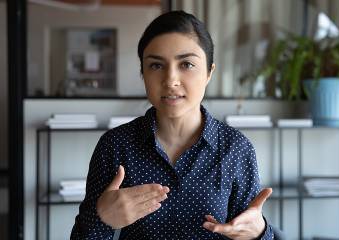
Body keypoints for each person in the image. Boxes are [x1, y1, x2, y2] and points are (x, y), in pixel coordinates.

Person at [71, 10, 274, 240]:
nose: (171, 80)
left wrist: (259, 233)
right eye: (156, 66)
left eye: (186, 64)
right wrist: (102, 217)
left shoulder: (236, 148)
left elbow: (249, 228)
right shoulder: (116, 146)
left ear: (209, 72)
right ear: (143, 73)